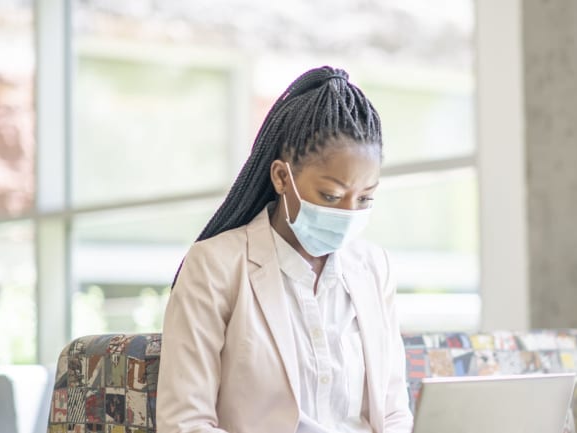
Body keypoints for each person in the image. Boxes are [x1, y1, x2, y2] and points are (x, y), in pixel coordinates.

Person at [156, 66, 414, 433]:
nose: (349, 214)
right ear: (281, 177)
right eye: (331, 196)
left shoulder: (375, 268)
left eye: (365, 198)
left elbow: (392, 413)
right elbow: (184, 423)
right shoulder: (215, 266)